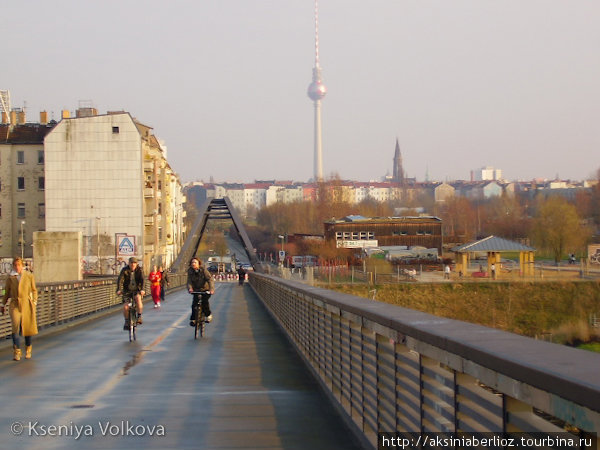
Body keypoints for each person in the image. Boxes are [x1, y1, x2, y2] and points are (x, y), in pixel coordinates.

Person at [1, 257, 38, 361]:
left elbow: (34, 290)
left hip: (26, 304)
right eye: (15, 265)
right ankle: (17, 352)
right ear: (13, 266)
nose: (17, 267)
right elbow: (6, 292)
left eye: (19, 265)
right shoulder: (11, 278)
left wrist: (34, 301)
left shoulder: (29, 276)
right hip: (15, 304)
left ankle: (28, 349)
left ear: (22, 266)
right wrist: (3, 304)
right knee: (15, 327)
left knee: (27, 328)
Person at [117, 257, 145, 330]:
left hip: (137, 290)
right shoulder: (124, 270)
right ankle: (126, 321)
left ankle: (139, 316)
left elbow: (142, 280)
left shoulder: (140, 270)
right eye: (131, 263)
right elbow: (120, 280)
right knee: (126, 307)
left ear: (136, 264)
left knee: (138, 299)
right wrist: (119, 289)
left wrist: (142, 289)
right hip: (127, 291)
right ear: (129, 263)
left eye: (134, 263)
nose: (133, 264)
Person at [187, 257, 215, 326]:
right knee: (194, 305)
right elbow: (189, 281)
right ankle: (193, 319)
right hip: (196, 290)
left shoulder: (203, 270)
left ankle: (208, 315)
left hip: (205, 289)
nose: (193, 264)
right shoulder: (190, 271)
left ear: (199, 264)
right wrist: (190, 288)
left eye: (195, 262)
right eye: (192, 262)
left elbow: (210, 279)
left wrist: (211, 289)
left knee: (205, 302)